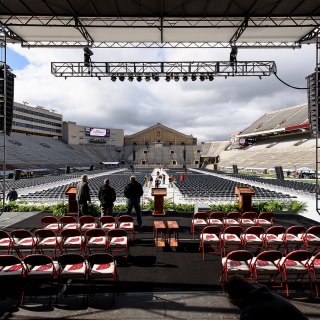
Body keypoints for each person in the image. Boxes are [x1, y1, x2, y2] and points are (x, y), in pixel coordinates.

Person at [223, 276, 308, 320]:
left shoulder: (251, 312)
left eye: (229, 298)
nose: (229, 300)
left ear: (239, 297)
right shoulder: (262, 294)